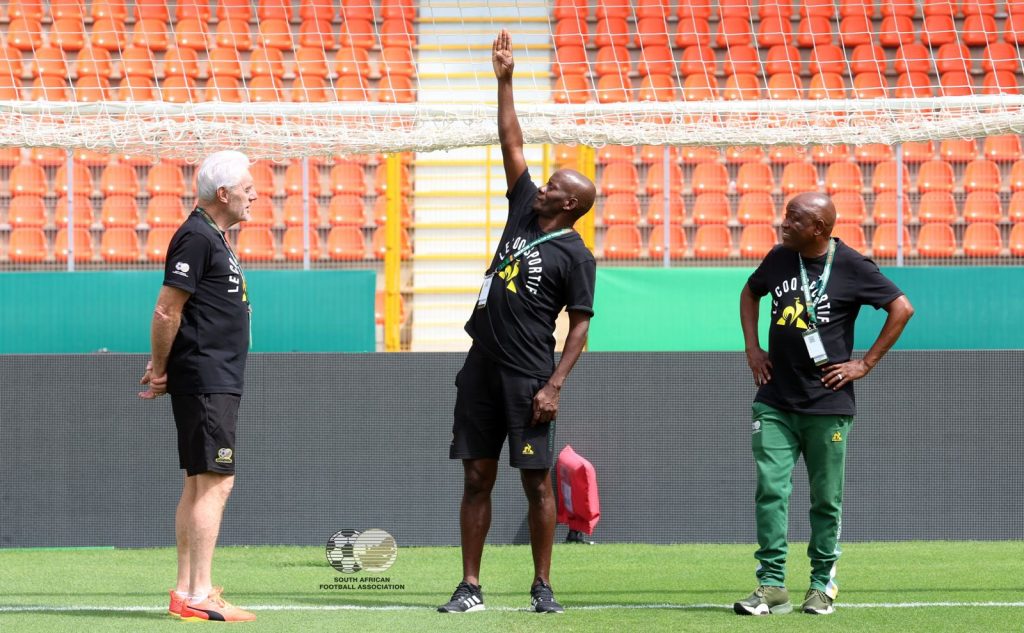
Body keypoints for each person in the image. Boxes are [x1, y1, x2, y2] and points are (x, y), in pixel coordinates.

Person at [437, 29, 597, 615]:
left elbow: (579, 327)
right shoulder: (523, 209)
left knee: (535, 483)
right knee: (476, 477)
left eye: (555, 185)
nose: (543, 185)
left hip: (529, 377)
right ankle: (470, 587)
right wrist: (505, 81)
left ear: (570, 204)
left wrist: (554, 385)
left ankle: (542, 586)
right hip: (481, 367)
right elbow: (512, 139)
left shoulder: (576, 255)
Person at [735, 192, 915, 616]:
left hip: (827, 404)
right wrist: (752, 348)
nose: (784, 223)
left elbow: (902, 309)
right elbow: (749, 292)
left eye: (793, 219)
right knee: (771, 492)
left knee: (825, 500)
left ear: (818, 228)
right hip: (775, 400)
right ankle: (771, 586)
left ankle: (821, 586)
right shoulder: (780, 257)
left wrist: (864, 364)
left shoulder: (853, 265)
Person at [139, 150, 258, 623]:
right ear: (223, 194)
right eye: (247, 187)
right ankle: (201, 593)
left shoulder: (213, 236)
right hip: (207, 379)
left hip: (211, 378)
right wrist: (161, 367)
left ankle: (186, 590)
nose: (255, 194)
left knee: (197, 482)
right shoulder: (195, 235)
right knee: (215, 482)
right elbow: (168, 309)